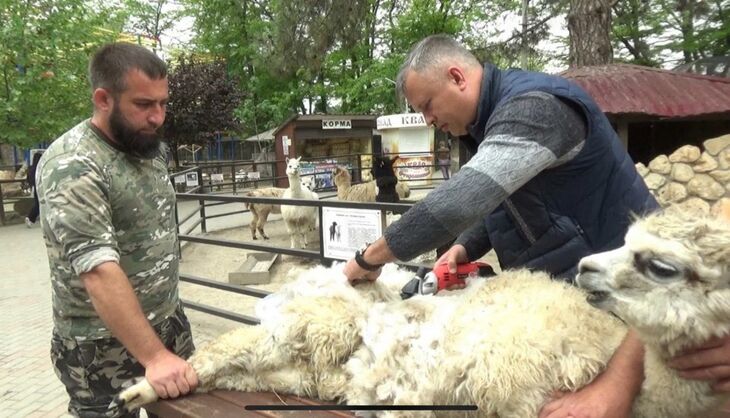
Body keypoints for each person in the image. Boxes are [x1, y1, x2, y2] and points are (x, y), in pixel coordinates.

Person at [341, 34, 708, 417]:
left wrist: (369, 259)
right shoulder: (486, 124)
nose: (428, 120)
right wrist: (464, 247)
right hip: (572, 301)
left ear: (457, 77)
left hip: (623, 305)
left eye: (427, 106)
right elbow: (507, 201)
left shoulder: (534, 108)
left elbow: (464, 199)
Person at [36, 43, 197, 417]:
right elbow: (97, 270)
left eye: (163, 103)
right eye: (143, 104)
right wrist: (155, 357)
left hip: (168, 323)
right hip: (99, 347)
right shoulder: (73, 164)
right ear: (103, 99)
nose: (157, 117)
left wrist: (165, 340)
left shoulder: (147, 147)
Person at [24, 151, 42, 227]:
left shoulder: (30, 168)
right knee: (40, 204)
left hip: (34, 187)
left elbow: (28, 178)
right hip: (40, 187)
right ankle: (30, 217)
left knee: (38, 203)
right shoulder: (40, 168)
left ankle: (30, 218)